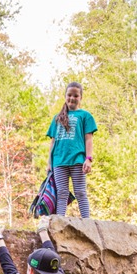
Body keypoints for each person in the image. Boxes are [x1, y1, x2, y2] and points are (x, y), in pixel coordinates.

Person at [46, 82, 97, 218]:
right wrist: (49, 163)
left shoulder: (85, 116)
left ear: (80, 98)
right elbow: (53, 142)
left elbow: (88, 139)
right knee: (61, 193)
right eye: (69, 95)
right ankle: (59, 221)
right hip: (59, 161)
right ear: (65, 96)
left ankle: (87, 222)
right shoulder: (57, 118)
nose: (72, 98)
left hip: (77, 160)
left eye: (76, 95)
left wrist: (88, 159)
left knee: (80, 192)